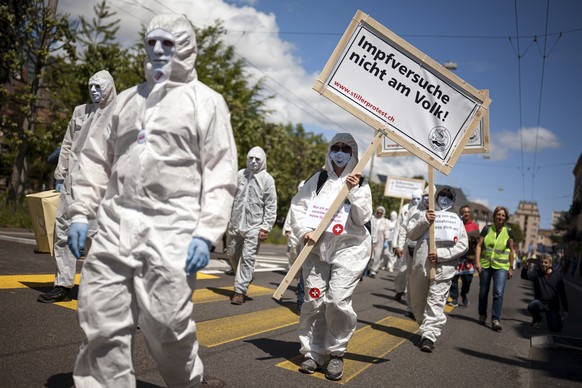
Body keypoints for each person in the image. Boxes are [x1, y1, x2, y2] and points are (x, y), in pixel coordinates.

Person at [66, 14, 238, 386]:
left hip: (173, 229)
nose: (158, 50)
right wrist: (81, 212)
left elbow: (221, 172)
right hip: (116, 225)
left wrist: (206, 232)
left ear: (186, 47)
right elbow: (96, 159)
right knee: (100, 318)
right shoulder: (127, 101)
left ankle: (187, 381)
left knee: (165, 326)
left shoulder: (205, 102)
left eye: (168, 43)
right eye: (151, 42)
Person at [290, 133, 372, 381]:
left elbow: (362, 218)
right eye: (336, 147)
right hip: (316, 249)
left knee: (336, 300)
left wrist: (355, 190)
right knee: (314, 301)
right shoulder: (319, 179)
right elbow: (298, 207)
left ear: (353, 153)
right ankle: (313, 353)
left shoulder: (361, 183)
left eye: (345, 148)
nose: (340, 152)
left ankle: (336, 354)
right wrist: (304, 231)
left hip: (349, 250)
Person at [37, 70, 117, 304]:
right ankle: (62, 284)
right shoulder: (80, 112)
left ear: (109, 87)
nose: (93, 91)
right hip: (73, 183)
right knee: (63, 232)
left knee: (98, 237)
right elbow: (67, 144)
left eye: (98, 87)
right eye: (90, 86)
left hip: (101, 186)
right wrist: (60, 176)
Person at [407, 186, 468, 352]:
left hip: (444, 268)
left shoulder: (456, 220)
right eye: (442, 194)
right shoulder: (424, 215)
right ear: (436, 196)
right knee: (418, 301)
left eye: (448, 196)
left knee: (435, 301)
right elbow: (411, 235)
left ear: (453, 200)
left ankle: (429, 336)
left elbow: (463, 245)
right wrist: (425, 220)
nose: (444, 198)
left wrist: (441, 254)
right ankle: (424, 324)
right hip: (421, 266)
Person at [228, 146, 277, 305]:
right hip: (235, 224)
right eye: (251, 158)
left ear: (263, 161)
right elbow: (230, 197)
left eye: (257, 159)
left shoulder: (267, 179)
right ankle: (242, 279)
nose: (253, 162)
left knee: (248, 258)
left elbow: (271, 205)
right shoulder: (240, 175)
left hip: (254, 226)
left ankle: (239, 291)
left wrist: (265, 227)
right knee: (232, 254)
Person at [475, 206, 515, 332]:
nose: (501, 217)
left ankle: (495, 319)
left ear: (506, 218)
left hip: (501, 267)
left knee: (498, 293)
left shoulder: (509, 232)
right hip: (485, 265)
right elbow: (479, 246)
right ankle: (482, 315)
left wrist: (511, 268)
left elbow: (511, 251)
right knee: (483, 292)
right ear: (494, 216)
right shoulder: (487, 229)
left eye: (503, 215)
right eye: (498, 214)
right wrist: (477, 263)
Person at [521, 254, 569, 331]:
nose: (543, 264)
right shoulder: (537, 273)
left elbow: (562, 294)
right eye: (542, 262)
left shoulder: (558, 276)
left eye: (546, 262)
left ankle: (558, 321)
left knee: (555, 328)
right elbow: (524, 276)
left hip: (552, 306)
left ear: (551, 264)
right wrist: (526, 267)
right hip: (540, 303)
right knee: (531, 306)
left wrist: (565, 310)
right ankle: (537, 319)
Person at [393, 189, 423, 304]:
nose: (416, 201)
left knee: (414, 273)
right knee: (402, 270)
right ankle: (399, 290)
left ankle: (409, 296)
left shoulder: (427, 210)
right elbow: (399, 227)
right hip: (406, 244)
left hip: (419, 246)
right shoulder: (406, 209)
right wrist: (395, 245)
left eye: (418, 198)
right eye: (413, 198)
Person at [447, 204, 480, 307]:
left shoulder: (475, 226)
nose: (466, 214)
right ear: (460, 213)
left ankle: (464, 294)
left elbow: (478, 243)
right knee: (454, 280)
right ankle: (455, 298)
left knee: (467, 281)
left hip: (469, 259)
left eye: (468, 212)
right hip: (457, 256)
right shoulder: (456, 224)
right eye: (464, 212)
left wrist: (476, 258)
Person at [283, 181, 305, 311]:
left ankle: (300, 284)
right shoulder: (296, 200)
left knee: (303, 260)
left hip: (304, 233)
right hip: (294, 233)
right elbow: (291, 214)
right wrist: (287, 228)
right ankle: (298, 277)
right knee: (294, 257)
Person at [368, 206, 389, 278]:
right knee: (369, 255)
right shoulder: (372, 219)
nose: (379, 214)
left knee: (377, 256)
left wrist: (386, 241)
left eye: (381, 213)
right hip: (370, 240)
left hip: (380, 241)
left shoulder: (384, 221)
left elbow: (386, 231)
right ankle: (368, 268)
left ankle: (373, 271)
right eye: (378, 212)